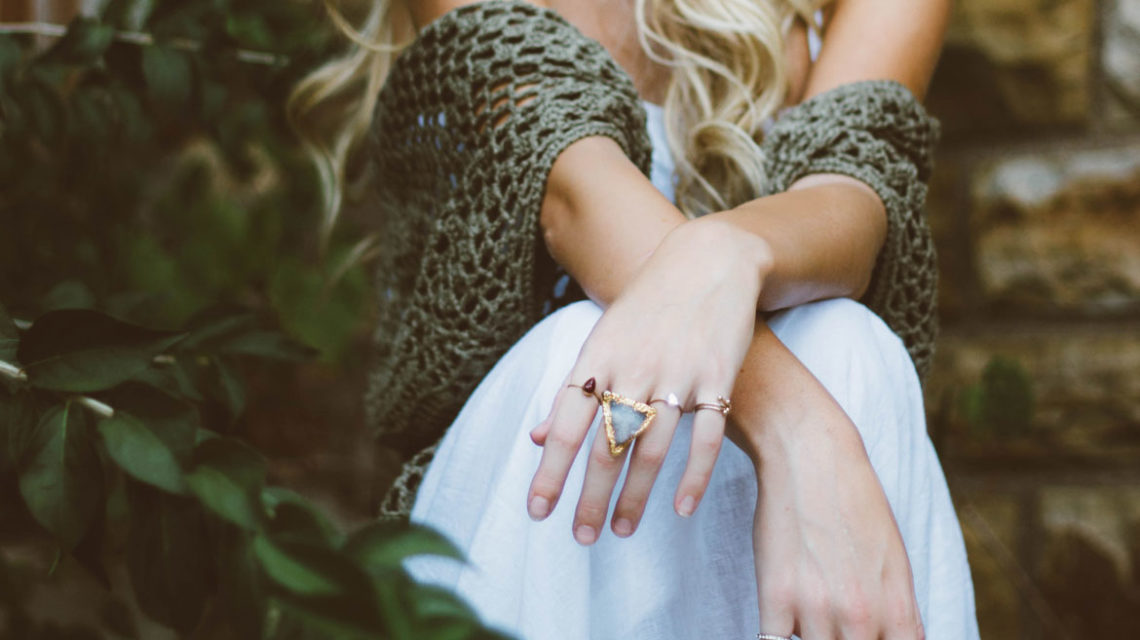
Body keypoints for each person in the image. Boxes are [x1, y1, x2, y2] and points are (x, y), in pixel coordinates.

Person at [290, 0, 979, 638]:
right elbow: (571, 194)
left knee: (846, 339)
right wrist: (800, 427)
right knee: (585, 346)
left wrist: (726, 253)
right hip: (537, 481)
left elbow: (853, 199)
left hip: (746, 483)